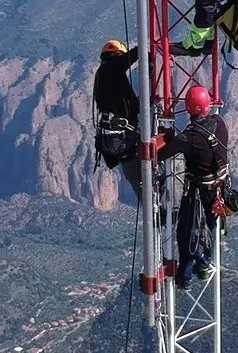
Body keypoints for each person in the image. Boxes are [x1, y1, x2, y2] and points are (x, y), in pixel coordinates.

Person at [155, 84, 229, 287]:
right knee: (211, 227)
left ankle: (191, 271)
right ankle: (201, 266)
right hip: (218, 189)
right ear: (207, 106)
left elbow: (160, 155)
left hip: (198, 190)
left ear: (188, 108)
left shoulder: (189, 138)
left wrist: (164, 136)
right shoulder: (220, 123)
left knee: (186, 231)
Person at [91, 40, 143, 200]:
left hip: (113, 136)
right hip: (121, 136)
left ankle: (152, 203)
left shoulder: (104, 74)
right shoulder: (110, 69)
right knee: (138, 162)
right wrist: (144, 48)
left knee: (131, 167)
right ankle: (154, 205)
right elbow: (127, 59)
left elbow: (125, 103)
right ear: (117, 55)